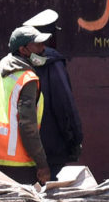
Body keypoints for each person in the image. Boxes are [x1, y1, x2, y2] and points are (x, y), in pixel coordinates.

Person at [0, 24, 52, 184]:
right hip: (13, 160)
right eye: (37, 44)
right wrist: (42, 164)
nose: (43, 48)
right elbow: (27, 125)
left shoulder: (0, 73)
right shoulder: (26, 78)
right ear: (23, 50)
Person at [20, 9, 85, 168]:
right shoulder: (53, 62)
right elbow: (64, 105)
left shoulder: (16, 60)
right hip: (51, 147)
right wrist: (75, 139)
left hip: (22, 148)